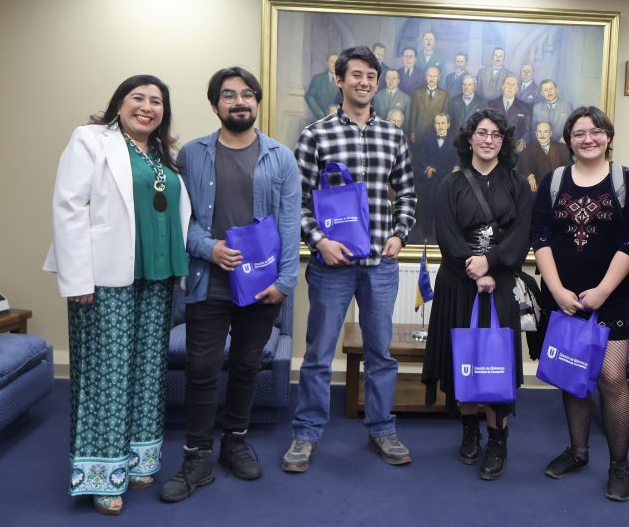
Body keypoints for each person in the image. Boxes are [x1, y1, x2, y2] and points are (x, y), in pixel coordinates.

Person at [44, 75, 189, 516]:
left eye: (157, 102)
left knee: (148, 370)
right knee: (107, 377)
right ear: (119, 104)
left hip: (158, 276)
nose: (147, 107)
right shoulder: (90, 140)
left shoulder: (167, 155)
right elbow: (69, 207)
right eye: (138, 98)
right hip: (105, 277)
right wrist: (77, 280)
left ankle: (140, 460)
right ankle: (101, 474)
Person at [160, 67, 301, 503]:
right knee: (202, 372)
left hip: (261, 287)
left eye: (246, 95)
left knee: (245, 366)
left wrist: (286, 281)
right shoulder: (193, 154)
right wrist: (210, 248)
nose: (238, 102)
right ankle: (197, 456)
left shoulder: (280, 157)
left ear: (257, 102)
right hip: (208, 283)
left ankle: (234, 442)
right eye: (228, 95)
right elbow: (180, 220)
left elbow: (290, 222)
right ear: (215, 104)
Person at [284, 45, 417, 473]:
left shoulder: (393, 135)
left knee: (382, 354)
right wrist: (319, 241)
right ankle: (305, 435)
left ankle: (382, 430)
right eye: (355, 75)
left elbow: (408, 195)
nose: (364, 82)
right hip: (331, 267)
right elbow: (298, 202)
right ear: (339, 80)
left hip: (380, 265)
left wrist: (399, 234)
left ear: (378, 83)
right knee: (319, 354)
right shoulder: (316, 135)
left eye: (371, 76)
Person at [531, 106, 629, 502]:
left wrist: (600, 291)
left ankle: (620, 465)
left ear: (608, 136)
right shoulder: (554, 181)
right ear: (569, 140)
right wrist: (558, 290)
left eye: (595, 131)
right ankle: (578, 452)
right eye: (579, 133)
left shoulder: (628, 181)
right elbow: (540, 236)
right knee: (572, 375)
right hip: (563, 298)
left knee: (611, 379)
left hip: (612, 297)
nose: (588, 139)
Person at [421, 109, 533, 481]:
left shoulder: (518, 185)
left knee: (495, 362)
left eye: (496, 134)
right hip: (458, 282)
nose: (488, 140)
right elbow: (447, 235)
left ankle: (497, 439)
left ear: (504, 141)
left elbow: (521, 233)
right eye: (482, 133)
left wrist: (492, 265)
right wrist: (473, 270)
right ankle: (469, 431)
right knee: (463, 358)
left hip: (499, 283)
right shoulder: (449, 186)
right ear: (469, 138)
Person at [412, 113, 458, 242]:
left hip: (447, 178)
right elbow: (418, 159)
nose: (440, 126)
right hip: (430, 179)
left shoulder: (455, 141)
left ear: (448, 125)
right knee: (430, 197)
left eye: (443, 123)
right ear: (434, 125)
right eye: (438, 123)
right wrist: (426, 168)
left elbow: (458, 160)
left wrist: (457, 168)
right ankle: (427, 231)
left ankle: (445, 232)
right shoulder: (427, 140)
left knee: (446, 201)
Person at [519, 121, 571, 192]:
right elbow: (523, 165)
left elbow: (569, 167)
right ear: (536, 134)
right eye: (539, 132)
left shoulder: (562, 148)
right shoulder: (529, 149)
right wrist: (529, 175)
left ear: (550, 134)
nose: (542, 135)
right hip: (538, 189)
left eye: (545, 132)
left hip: (560, 188)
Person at [488, 74, 532, 146]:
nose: (510, 87)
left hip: (514, 147)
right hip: (495, 146)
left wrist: (523, 141)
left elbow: (528, 130)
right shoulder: (491, 105)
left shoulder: (524, 108)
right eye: (508, 84)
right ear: (503, 87)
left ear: (517, 89)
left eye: (513, 85)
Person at [409, 66, 450, 143]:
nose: (432, 78)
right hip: (419, 133)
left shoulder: (445, 95)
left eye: (435, 76)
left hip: (435, 133)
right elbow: (413, 115)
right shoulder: (417, 92)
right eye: (429, 76)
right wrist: (412, 132)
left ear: (439, 78)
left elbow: (446, 116)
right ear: (425, 77)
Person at [304, 53, 342, 121]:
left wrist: (339, 109)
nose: (334, 65)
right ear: (327, 63)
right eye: (331, 62)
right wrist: (319, 112)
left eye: (336, 62)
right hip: (321, 119)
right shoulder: (317, 79)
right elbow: (309, 96)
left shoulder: (344, 80)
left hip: (340, 119)